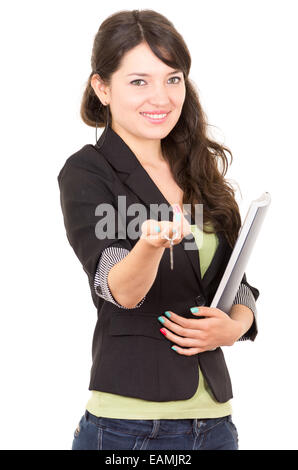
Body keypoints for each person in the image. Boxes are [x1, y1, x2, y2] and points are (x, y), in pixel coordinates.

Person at [57, 9, 259, 451]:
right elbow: (116, 288)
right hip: (131, 427)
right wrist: (148, 246)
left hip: (215, 423)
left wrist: (235, 326)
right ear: (102, 87)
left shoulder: (197, 169)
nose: (162, 97)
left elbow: (236, 285)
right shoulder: (88, 172)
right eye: (138, 81)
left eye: (173, 79)